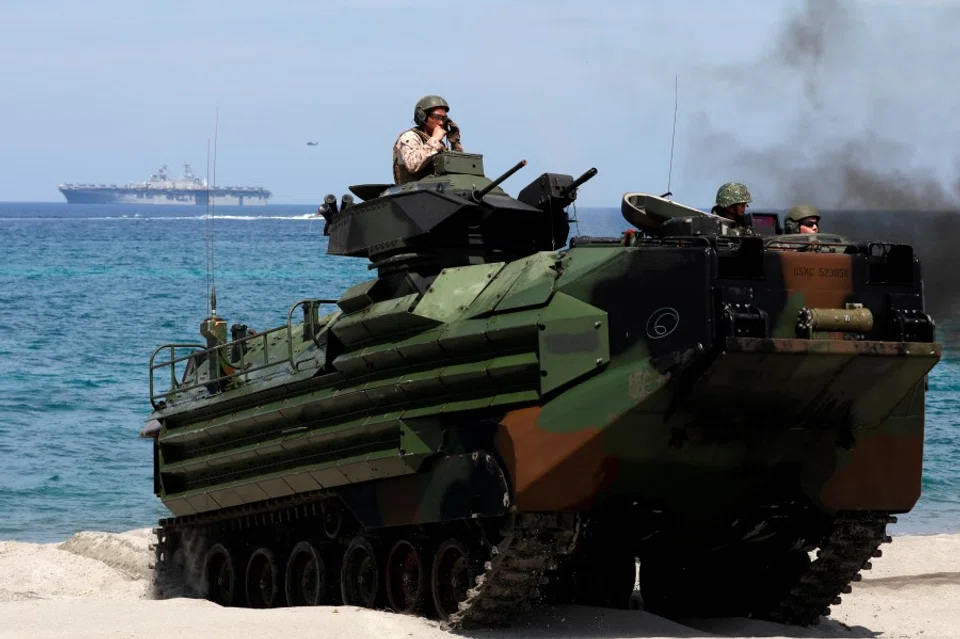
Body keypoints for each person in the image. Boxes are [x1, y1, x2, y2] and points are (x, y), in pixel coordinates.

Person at [392, 95, 463, 184]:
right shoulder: (410, 137)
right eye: (437, 117)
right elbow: (412, 165)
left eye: (443, 118)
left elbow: (456, 170)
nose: (441, 122)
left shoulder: (439, 144)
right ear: (422, 117)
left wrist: (455, 144)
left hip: (436, 192)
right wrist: (435, 140)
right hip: (414, 194)